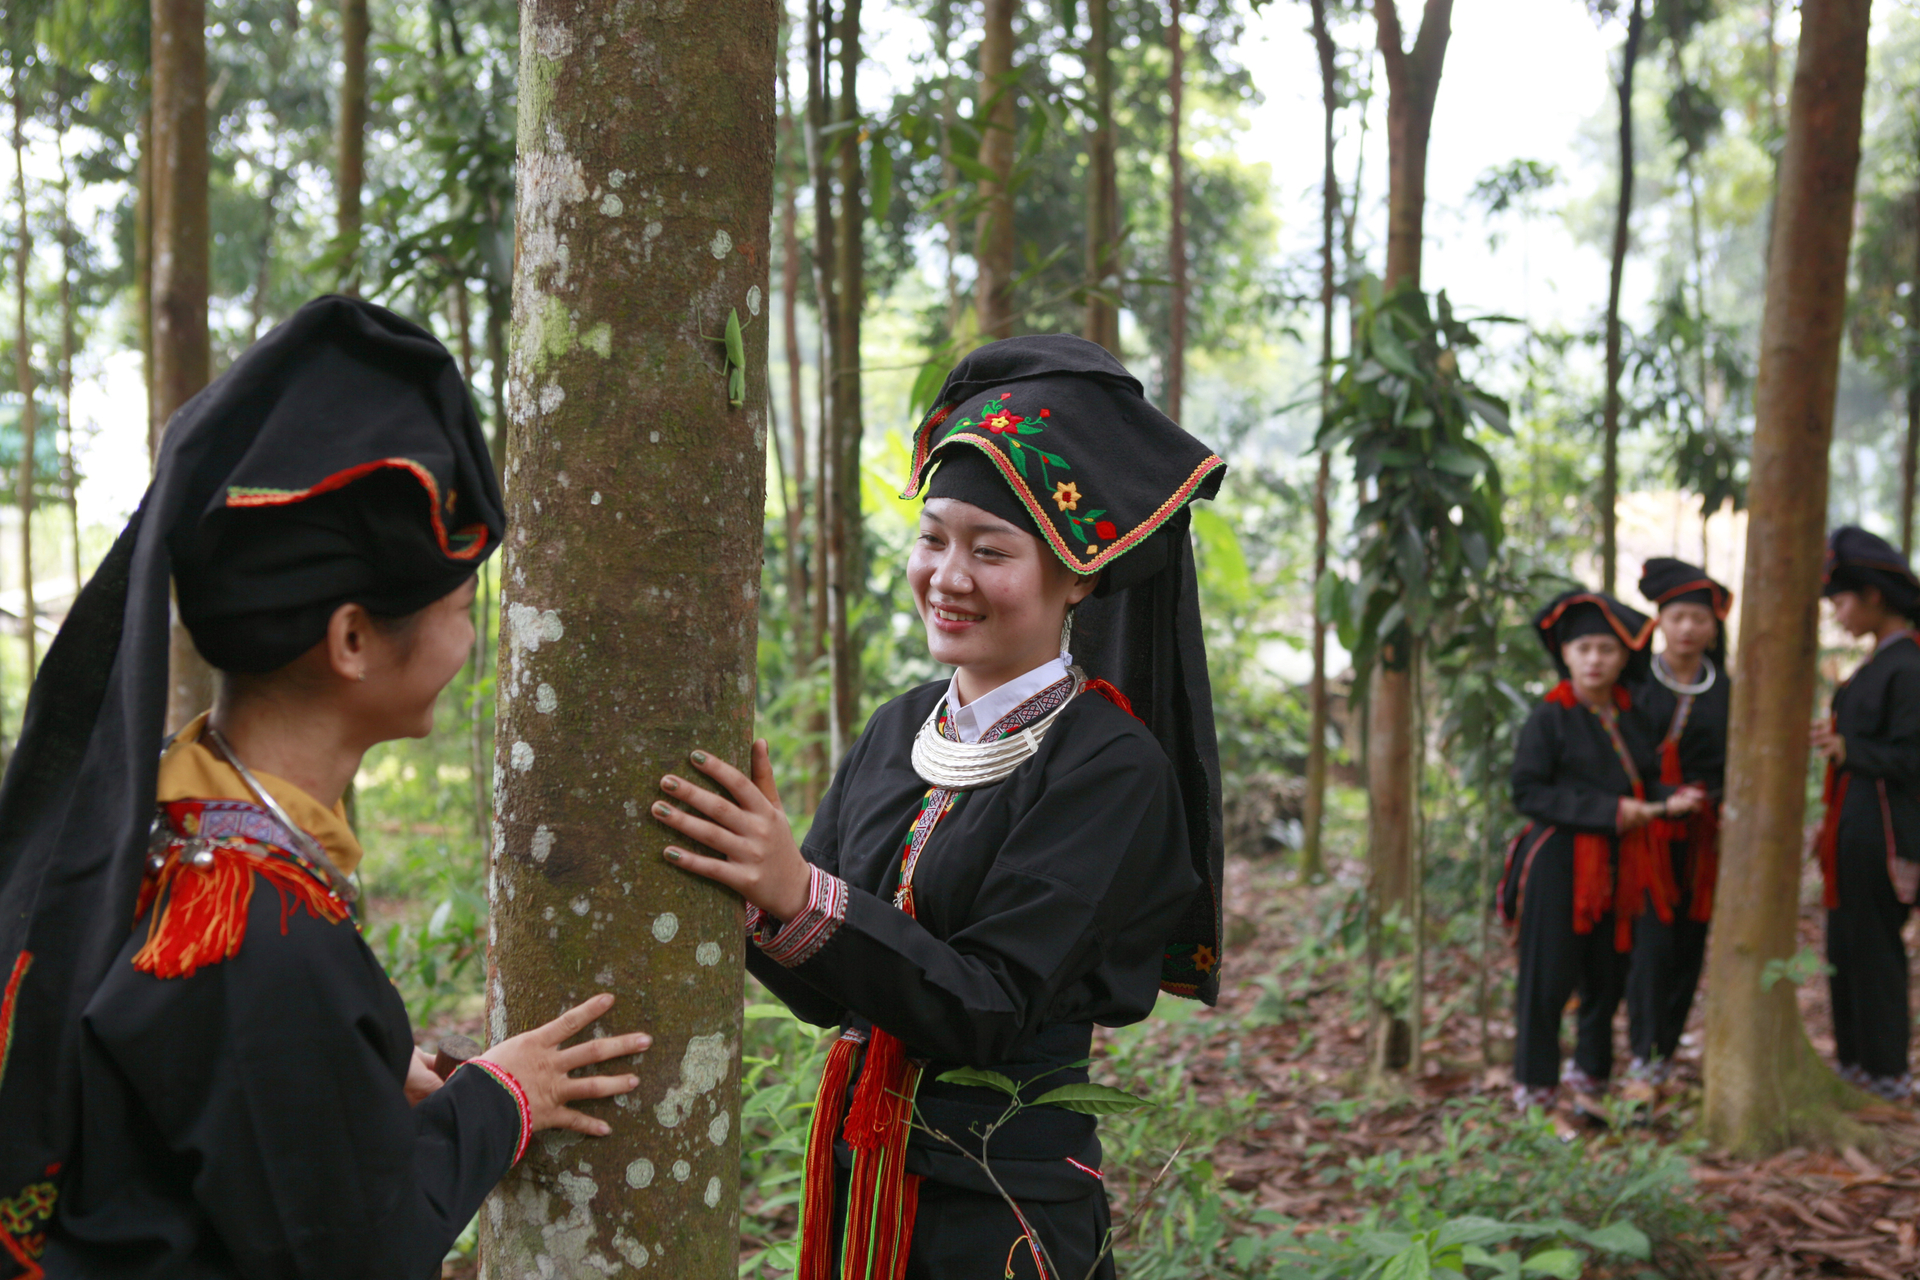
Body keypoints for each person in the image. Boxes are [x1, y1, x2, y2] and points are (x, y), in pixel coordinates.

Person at [0, 297, 649, 1279]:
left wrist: (362, 1061)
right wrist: (499, 1098)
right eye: (460, 607)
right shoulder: (251, 923)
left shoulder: (158, 822)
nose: (472, 640)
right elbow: (354, 1246)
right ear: (351, 640)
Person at [651, 335, 1225, 1280]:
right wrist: (747, 882)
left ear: (1076, 575)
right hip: (857, 1172)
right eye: (933, 538)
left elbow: (990, 1007)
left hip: (998, 1206)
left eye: (990, 550)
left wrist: (799, 890)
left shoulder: (1111, 767)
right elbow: (823, 991)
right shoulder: (899, 726)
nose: (947, 577)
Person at [1500, 590, 1702, 1111]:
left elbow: (1644, 779)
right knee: (1547, 981)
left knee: (1607, 975)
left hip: (1622, 866)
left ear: (1623, 657)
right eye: (1584, 648)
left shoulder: (1631, 714)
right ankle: (1536, 1092)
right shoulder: (1549, 717)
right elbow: (1528, 792)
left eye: (1606, 650)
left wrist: (1668, 798)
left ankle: (1591, 1081)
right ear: (1566, 655)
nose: (1595, 660)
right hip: (1559, 865)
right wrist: (1608, 812)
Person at [1812, 526, 1920, 1102]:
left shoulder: (1909, 665)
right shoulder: (1880, 662)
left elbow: (1913, 755)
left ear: (1875, 597)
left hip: (1883, 830)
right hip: (1851, 826)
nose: (1837, 613)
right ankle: (1854, 1064)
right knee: (1845, 943)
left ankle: (1886, 1071)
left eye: (1842, 600)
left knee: (1874, 945)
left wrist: (1850, 750)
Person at [1623, 558, 1732, 1085]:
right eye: (1678, 617)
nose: (1688, 628)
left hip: (1706, 837)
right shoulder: (1635, 682)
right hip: (1648, 830)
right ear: (1660, 622)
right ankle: (1642, 1051)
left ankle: (1666, 1049)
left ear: (1714, 628)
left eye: (1699, 618)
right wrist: (1665, 797)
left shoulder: (1729, 691)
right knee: (1652, 941)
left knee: (1692, 937)